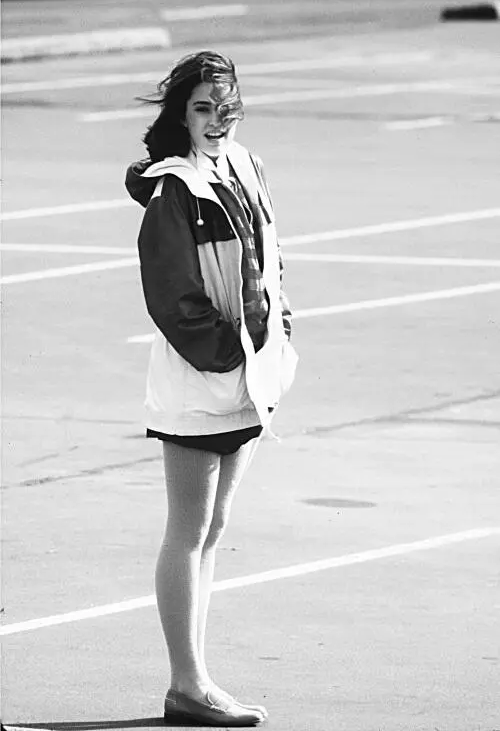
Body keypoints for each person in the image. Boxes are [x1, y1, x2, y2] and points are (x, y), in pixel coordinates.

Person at [125, 50, 297, 727]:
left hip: (249, 375)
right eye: (203, 108)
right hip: (203, 381)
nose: (217, 120)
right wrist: (231, 357)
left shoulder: (247, 165)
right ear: (183, 116)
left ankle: (194, 681)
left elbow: (271, 257)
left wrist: (277, 333)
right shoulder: (174, 189)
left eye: (226, 107)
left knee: (214, 528)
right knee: (189, 529)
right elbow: (173, 297)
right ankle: (187, 684)